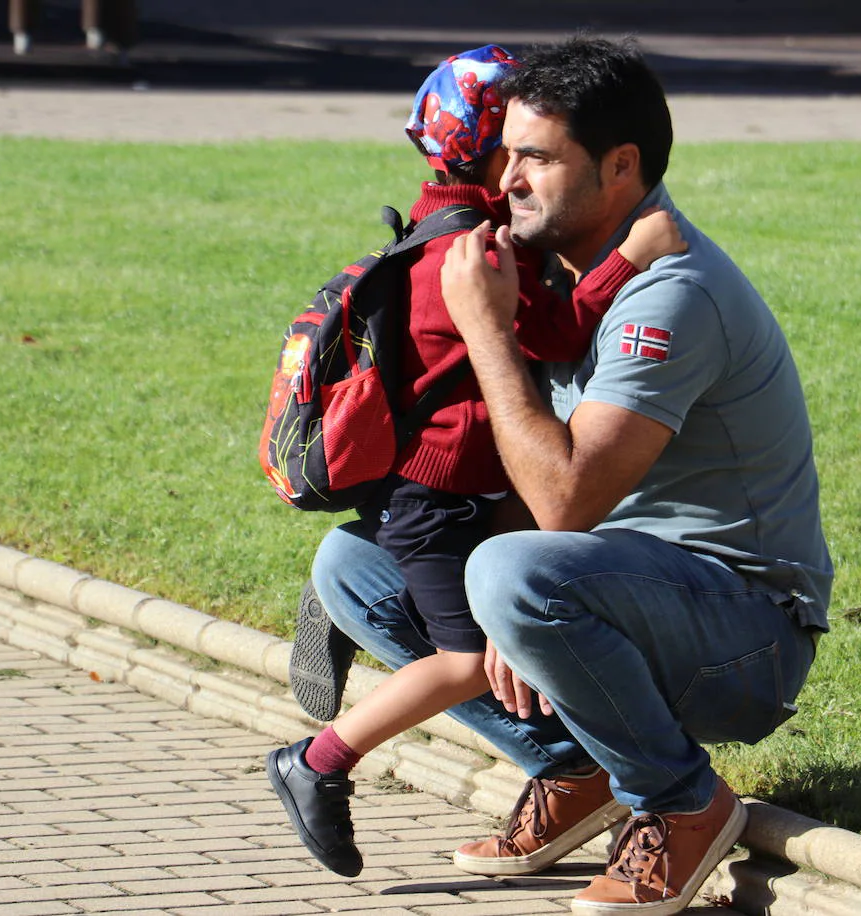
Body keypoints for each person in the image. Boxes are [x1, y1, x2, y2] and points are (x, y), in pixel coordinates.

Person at [266, 44, 687, 880]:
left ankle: (348, 599)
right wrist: (633, 257)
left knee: (489, 636)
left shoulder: (435, 226)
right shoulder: (477, 247)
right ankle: (317, 765)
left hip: (428, 491)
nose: (528, 166)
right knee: (466, 658)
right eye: (523, 148)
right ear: (499, 155)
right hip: (441, 497)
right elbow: (560, 333)